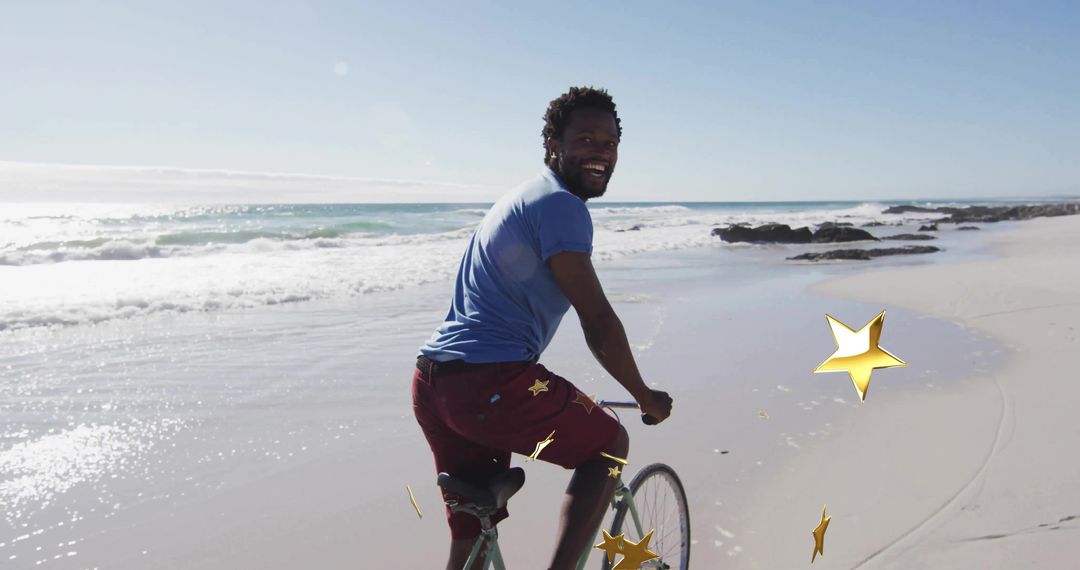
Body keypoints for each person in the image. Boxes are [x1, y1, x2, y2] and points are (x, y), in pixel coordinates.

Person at [412, 86, 673, 570]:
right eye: (586, 139)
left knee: (473, 533)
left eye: (610, 142)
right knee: (610, 447)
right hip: (492, 385)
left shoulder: (520, 197)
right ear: (553, 143)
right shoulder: (561, 206)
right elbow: (596, 318)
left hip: (434, 384)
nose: (601, 151)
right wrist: (643, 394)